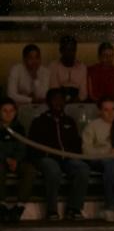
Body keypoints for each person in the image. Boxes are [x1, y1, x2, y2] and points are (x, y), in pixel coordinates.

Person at [27, 88, 90, 220]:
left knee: (82, 168)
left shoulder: (69, 121)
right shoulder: (39, 121)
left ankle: (74, 209)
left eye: (61, 99)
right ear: (48, 102)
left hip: (67, 159)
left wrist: (73, 154)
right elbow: (32, 146)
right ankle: (51, 210)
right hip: (46, 158)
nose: (58, 102)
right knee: (53, 170)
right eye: (55, 99)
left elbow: (76, 143)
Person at [81, 97, 114, 222]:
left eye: (113, 109)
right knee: (109, 162)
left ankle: (110, 209)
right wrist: (106, 153)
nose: (110, 113)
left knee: (109, 171)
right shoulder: (92, 127)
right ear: (100, 111)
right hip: (97, 160)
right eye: (106, 110)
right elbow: (86, 150)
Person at [0, 98, 36, 223]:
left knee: (30, 170)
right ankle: (2, 204)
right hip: (2, 160)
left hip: (17, 161)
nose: (8, 114)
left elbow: (22, 147)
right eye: (4, 111)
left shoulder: (19, 128)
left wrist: (16, 159)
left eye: (11, 111)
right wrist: (6, 158)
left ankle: (20, 205)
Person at [48, 35, 88, 103]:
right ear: (61, 50)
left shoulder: (82, 67)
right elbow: (53, 89)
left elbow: (83, 92)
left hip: (77, 102)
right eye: (67, 50)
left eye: (73, 50)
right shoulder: (53, 66)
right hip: (58, 101)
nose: (70, 53)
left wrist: (77, 101)